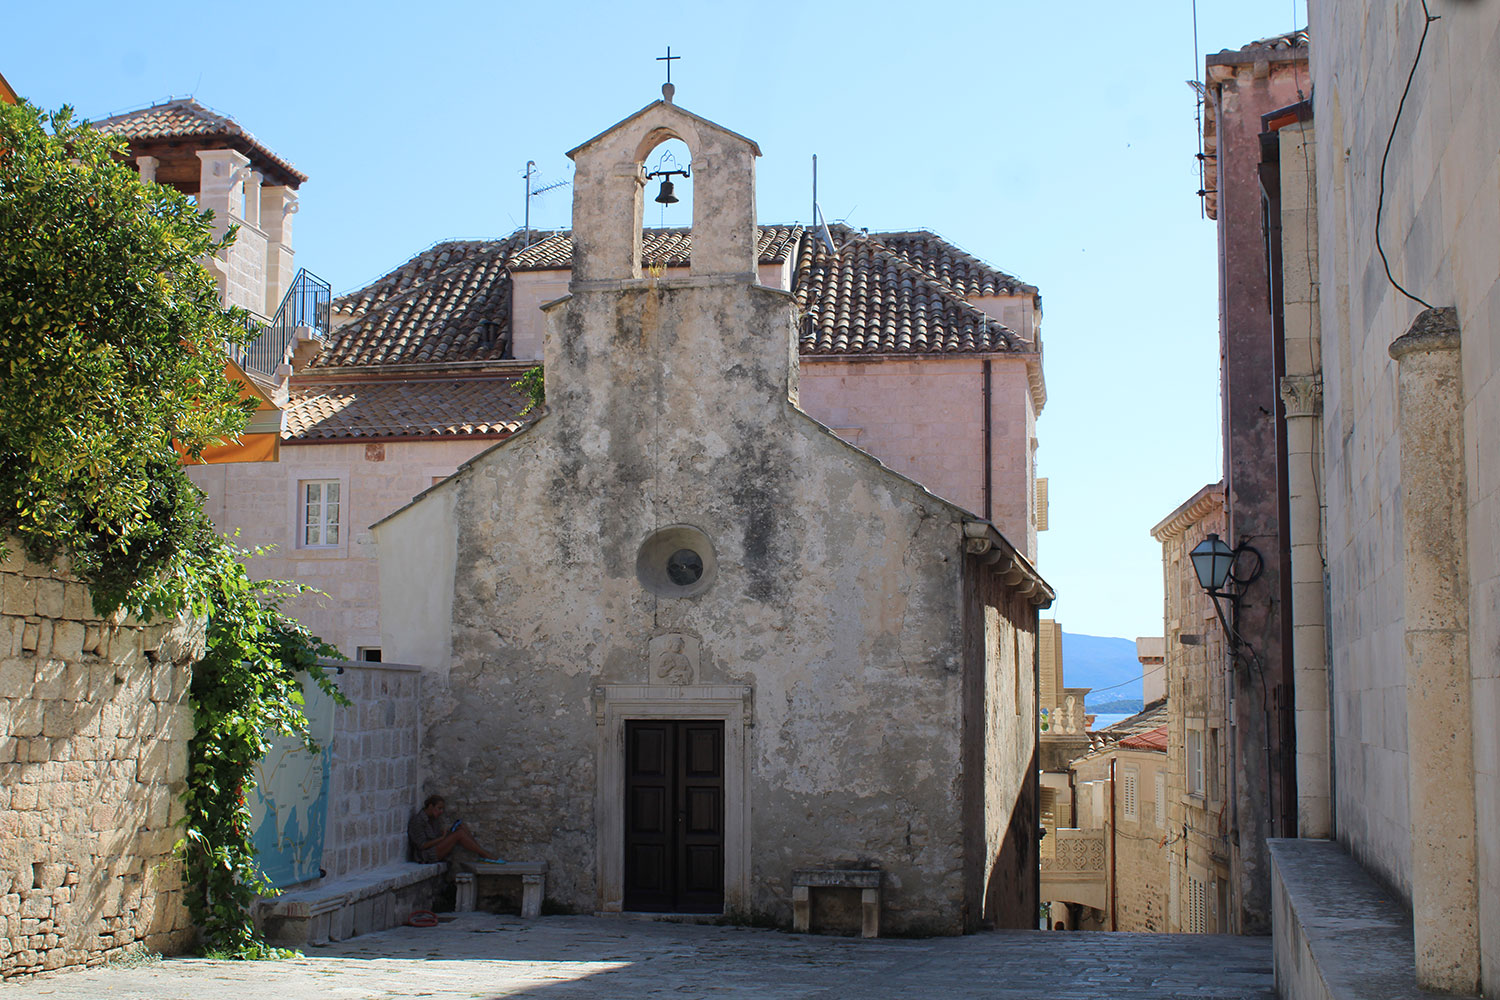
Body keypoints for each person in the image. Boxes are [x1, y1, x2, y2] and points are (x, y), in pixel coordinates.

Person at [408, 794, 503, 864]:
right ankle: (485, 855)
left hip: (436, 847)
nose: (441, 812)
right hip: (426, 855)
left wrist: (446, 833)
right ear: (430, 806)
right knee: (460, 834)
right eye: (439, 808)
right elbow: (422, 845)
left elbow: (436, 837)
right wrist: (441, 838)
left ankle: (482, 853)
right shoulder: (418, 820)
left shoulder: (433, 820)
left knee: (461, 827)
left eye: (442, 809)